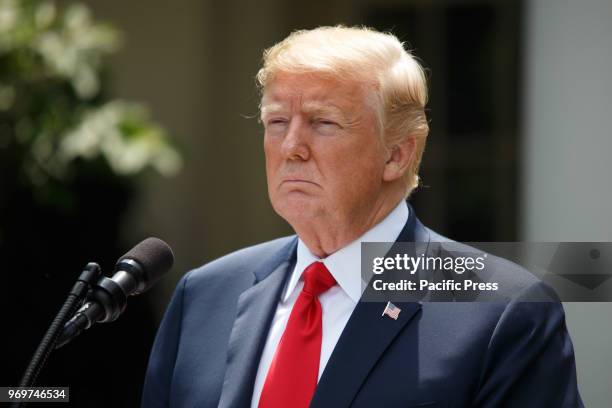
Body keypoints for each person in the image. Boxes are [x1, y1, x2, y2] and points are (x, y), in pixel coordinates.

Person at [141, 26, 582, 408]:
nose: (291, 146)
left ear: (396, 154)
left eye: (323, 123)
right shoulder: (205, 295)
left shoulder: (502, 310)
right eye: (276, 122)